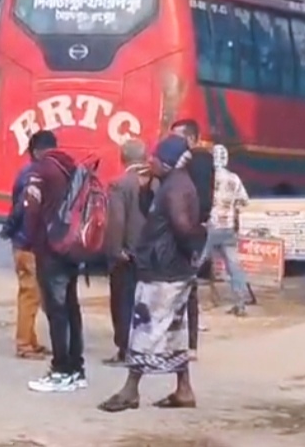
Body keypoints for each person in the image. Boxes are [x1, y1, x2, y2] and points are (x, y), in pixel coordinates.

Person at [98, 135, 206, 413]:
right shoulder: (172, 184)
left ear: (167, 162)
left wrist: (190, 248)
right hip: (172, 268)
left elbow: (182, 227)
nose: (150, 162)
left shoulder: (174, 189)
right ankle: (184, 389)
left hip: (163, 271)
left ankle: (130, 389)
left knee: (145, 329)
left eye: (155, 159)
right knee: (174, 331)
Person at [21, 131, 86, 393]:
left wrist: (28, 240)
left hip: (49, 249)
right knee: (71, 308)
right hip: (72, 248)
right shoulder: (70, 167)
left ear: (36, 150)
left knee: (56, 311)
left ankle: (60, 370)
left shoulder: (41, 171)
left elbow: (30, 209)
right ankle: (76, 369)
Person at [102, 139, 152, 366]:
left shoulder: (120, 185)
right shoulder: (156, 182)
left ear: (122, 157)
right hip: (151, 253)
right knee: (147, 301)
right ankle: (146, 347)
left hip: (127, 255)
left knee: (122, 302)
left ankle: (125, 349)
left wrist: (115, 250)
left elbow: (116, 221)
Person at [0, 144, 49, 360]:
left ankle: (31, 340)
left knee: (32, 294)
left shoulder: (26, 172)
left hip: (23, 242)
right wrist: (9, 231)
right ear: (39, 152)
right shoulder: (35, 177)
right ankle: (24, 344)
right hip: (27, 245)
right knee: (29, 294)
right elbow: (22, 207)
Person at [169, 119, 214, 358]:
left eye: (177, 137)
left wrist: (193, 224)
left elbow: (202, 198)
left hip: (188, 231)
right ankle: (184, 343)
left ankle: (187, 343)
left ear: (189, 138)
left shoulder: (198, 161)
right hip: (187, 229)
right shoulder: (187, 162)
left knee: (186, 288)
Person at [206, 145, 251, 317]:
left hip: (210, 226)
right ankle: (240, 303)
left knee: (194, 264)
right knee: (234, 267)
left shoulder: (209, 177)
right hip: (228, 227)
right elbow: (244, 201)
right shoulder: (234, 178)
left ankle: (183, 306)